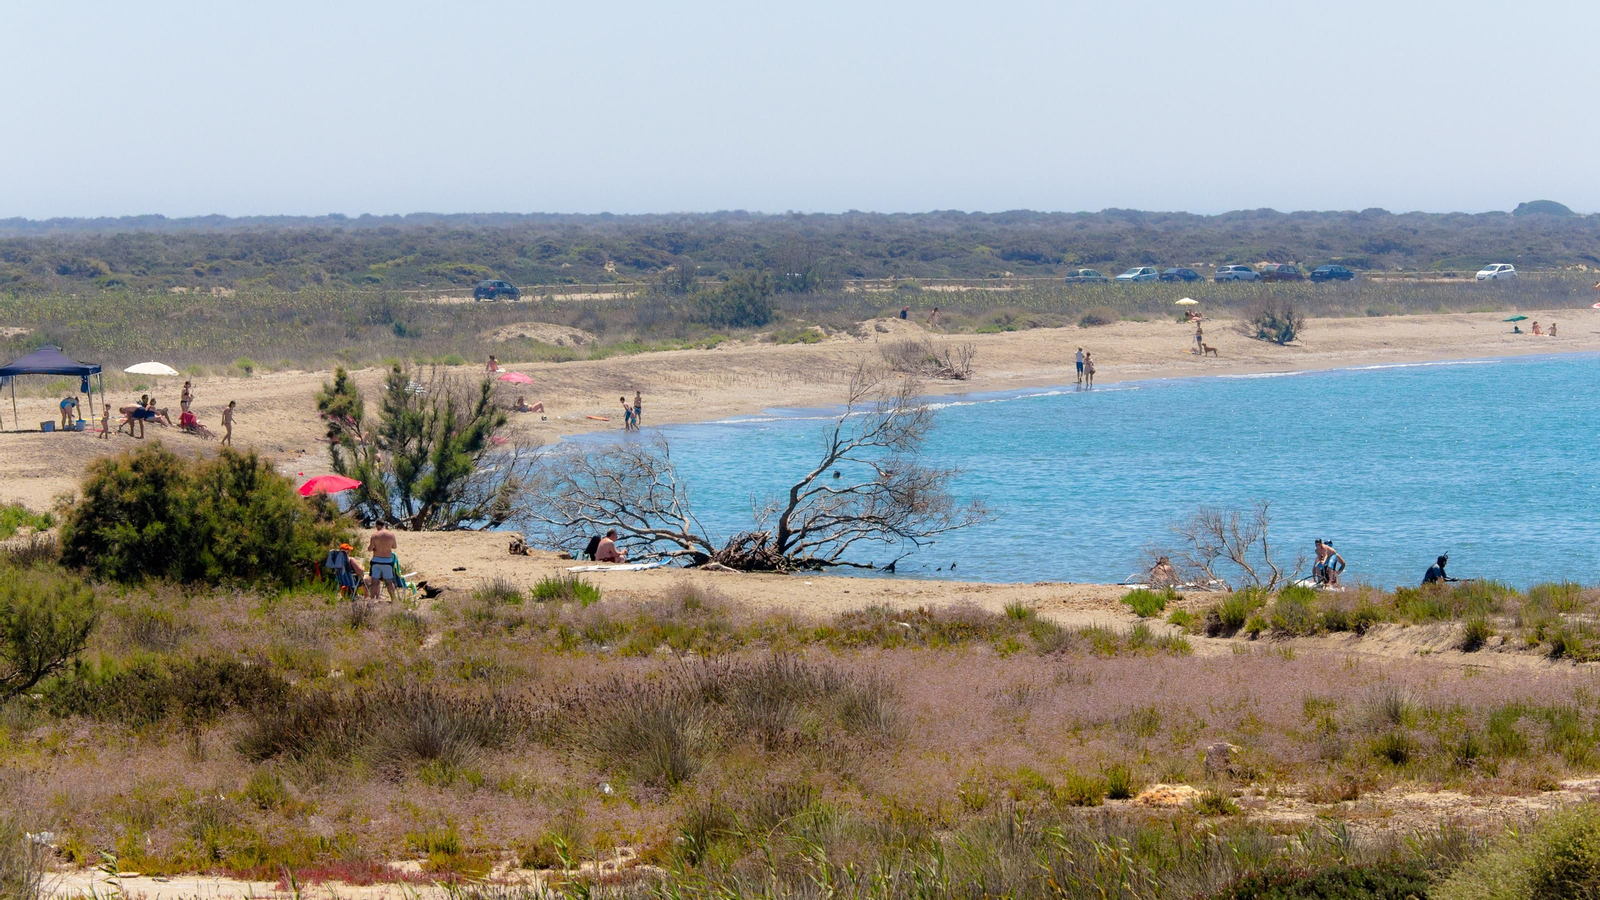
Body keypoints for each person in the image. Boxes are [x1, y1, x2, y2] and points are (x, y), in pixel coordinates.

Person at [367, 522, 401, 601]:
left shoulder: (375, 536)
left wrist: (376, 547)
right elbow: (394, 546)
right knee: (389, 581)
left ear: (378, 525)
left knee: (374, 581)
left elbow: (370, 548)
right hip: (387, 561)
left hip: (376, 560)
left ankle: (372, 600)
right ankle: (393, 599)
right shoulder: (391, 535)